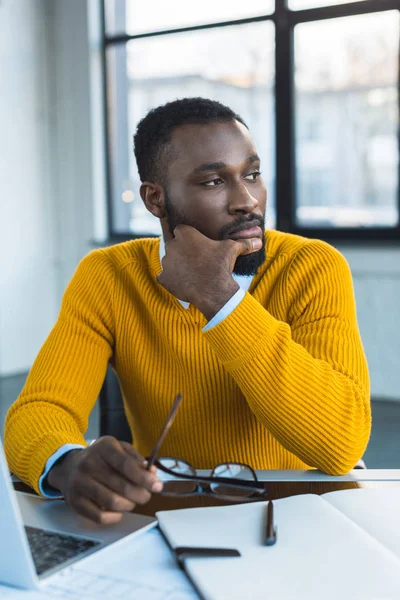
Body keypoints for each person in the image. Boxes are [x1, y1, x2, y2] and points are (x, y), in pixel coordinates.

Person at [5, 97, 371, 524]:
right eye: (214, 182)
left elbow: (341, 443)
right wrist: (67, 463)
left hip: (300, 507)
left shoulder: (312, 266)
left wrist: (220, 300)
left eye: (252, 174)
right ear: (155, 199)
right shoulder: (108, 275)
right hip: (170, 506)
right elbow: (39, 410)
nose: (247, 200)